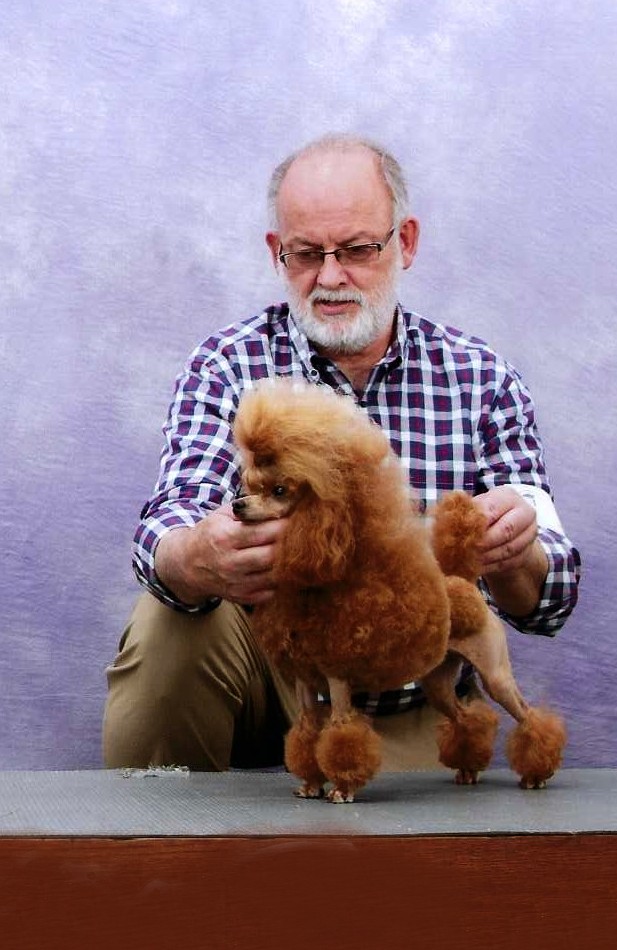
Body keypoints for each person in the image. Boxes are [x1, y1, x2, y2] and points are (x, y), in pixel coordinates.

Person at [103, 133, 581, 772]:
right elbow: (173, 516)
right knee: (165, 623)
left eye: (357, 249)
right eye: (305, 254)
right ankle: (154, 833)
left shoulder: (484, 380)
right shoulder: (226, 365)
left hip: (407, 687)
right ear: (277, 252)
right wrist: (194, 554)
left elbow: (550, 602)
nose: (330, 278)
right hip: (276, 669)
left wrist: (516, 552)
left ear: (405, 241)